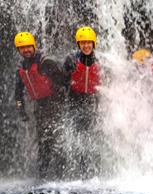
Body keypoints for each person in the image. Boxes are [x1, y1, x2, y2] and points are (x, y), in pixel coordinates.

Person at [14, 31, 66, 180]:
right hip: (39, 107)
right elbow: (18, 93)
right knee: (43, 143)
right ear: (18, 50)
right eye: (22, 48)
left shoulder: (45, 62)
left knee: (56, 140)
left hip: (54, 104)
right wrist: (21, 110)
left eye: (28, 47)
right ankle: (42, 177)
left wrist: (61, 102)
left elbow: (63, 80)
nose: (26, 50)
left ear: (34, 46)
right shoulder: (21, 69)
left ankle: (61, 176)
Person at [63, 26, 101, 179]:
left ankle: (93, 171)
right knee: (78, 135)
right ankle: (80, 170)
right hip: (75, 99)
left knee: (91, 135)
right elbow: (62, 79)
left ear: (93, 44)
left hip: (92, 101)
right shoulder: (71, 59)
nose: (86, 46)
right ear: (78, 45)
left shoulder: (99, 60)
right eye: (83, 43)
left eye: (89, 43)